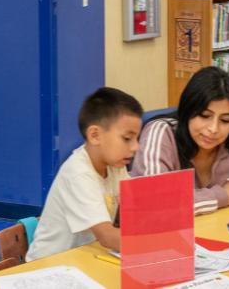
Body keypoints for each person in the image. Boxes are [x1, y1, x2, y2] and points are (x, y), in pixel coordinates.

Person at [131, 66, 229, 215]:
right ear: (187, 110)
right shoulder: (161, 134)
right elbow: (153, 204)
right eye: (205, 116)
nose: (214, 129)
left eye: (225, 120)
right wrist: (223, 195)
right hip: (161, 237)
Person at [26, 87, 143, 261]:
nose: (135, 147)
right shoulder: (79, 173)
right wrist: (158, 243)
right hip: (48, 266)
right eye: (127, 138)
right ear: (95, 135)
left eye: (136, 139)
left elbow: (134, 208)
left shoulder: (116, 165)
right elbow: (107, 237)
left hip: (82, 259)